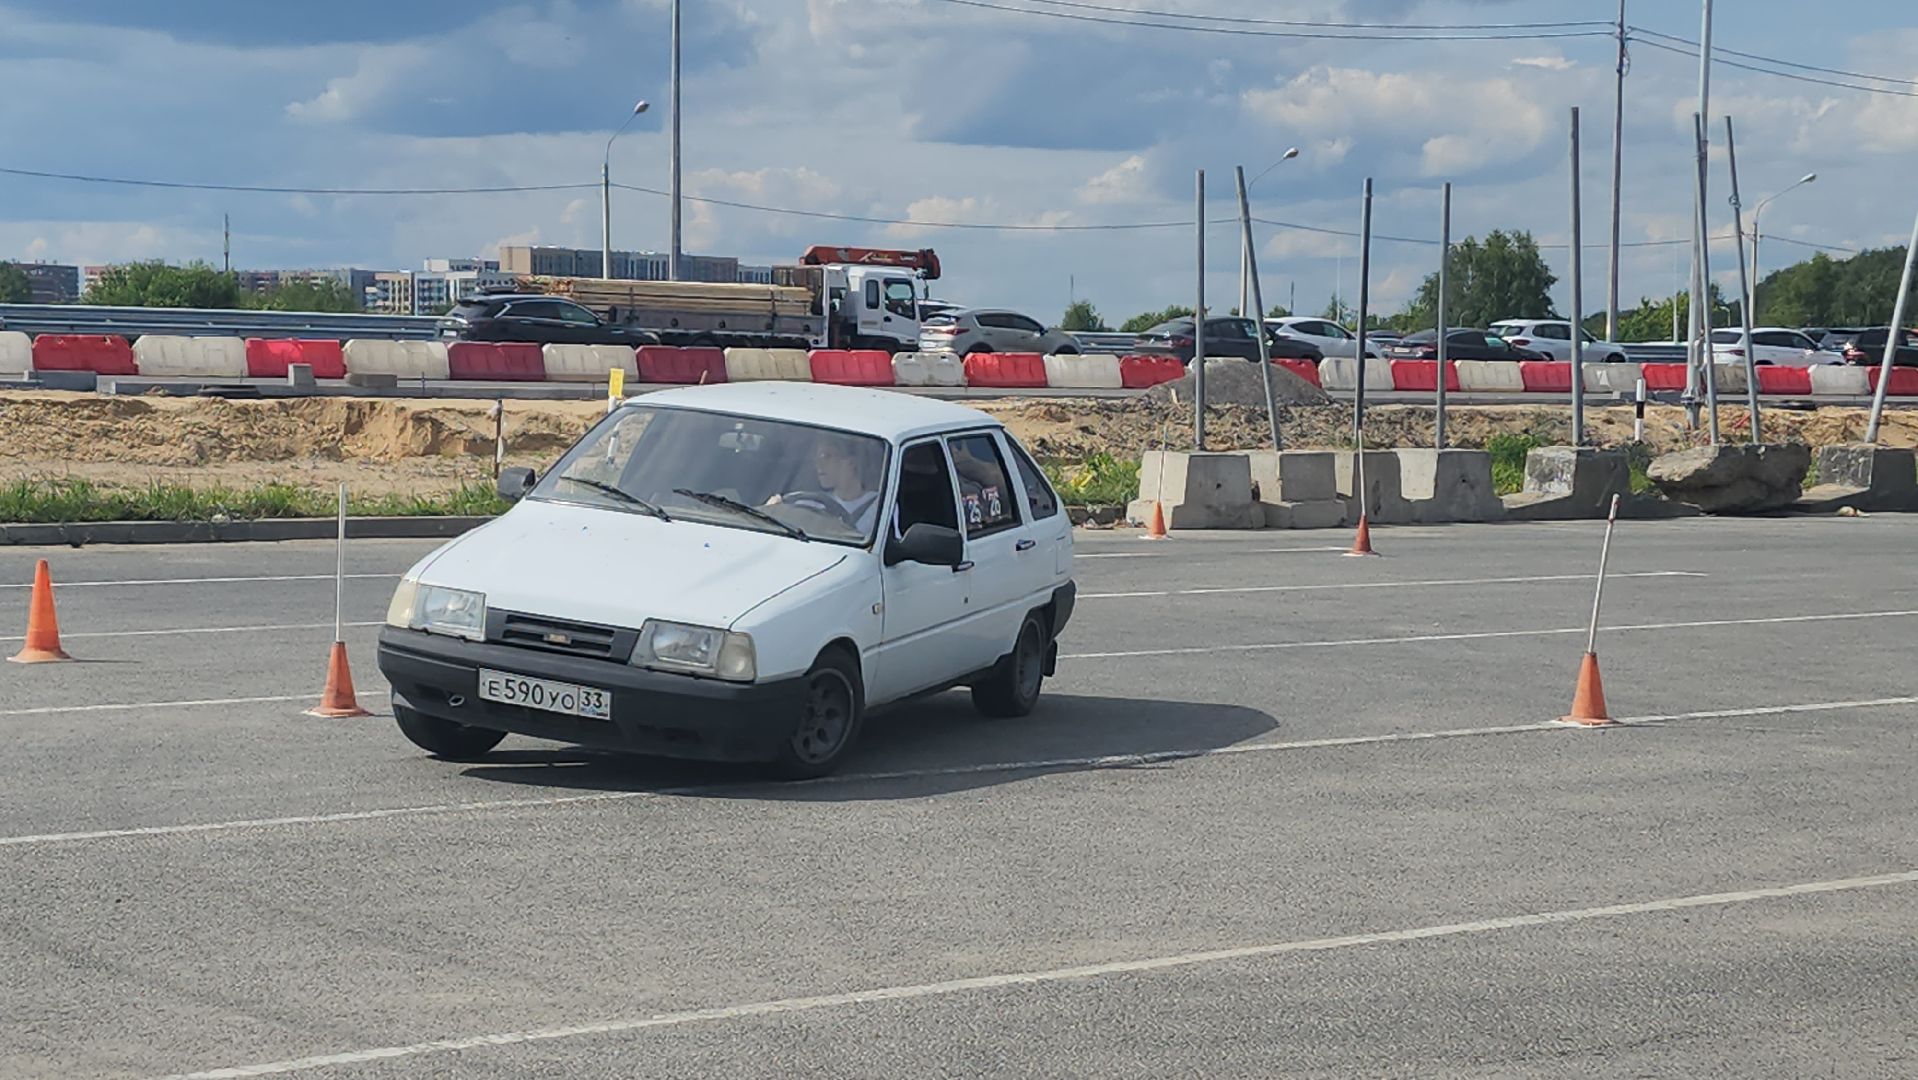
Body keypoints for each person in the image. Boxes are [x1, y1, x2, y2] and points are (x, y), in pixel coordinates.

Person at [767, 437, 883, 535]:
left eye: (826, 456)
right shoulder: (809, 503)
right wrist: (775, 509)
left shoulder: (879, 506)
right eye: (816, 458)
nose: (818, 463)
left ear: (850, 462)